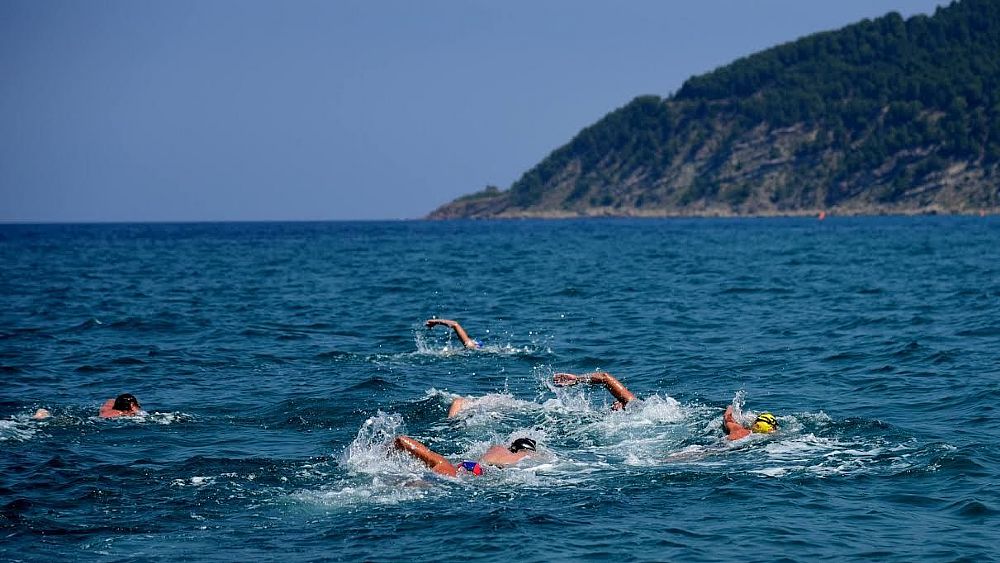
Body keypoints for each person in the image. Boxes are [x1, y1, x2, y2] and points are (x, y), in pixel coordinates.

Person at [393, 435, 537, 477]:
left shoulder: (497, 448)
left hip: (471, 465)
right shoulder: (525, 456)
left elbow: (400, 440)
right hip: (481, 471)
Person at [552, 371, 636, 410]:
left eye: (619, 401)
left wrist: (577, 379)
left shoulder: (632, 403)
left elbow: (604, 377)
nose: (614, 404)